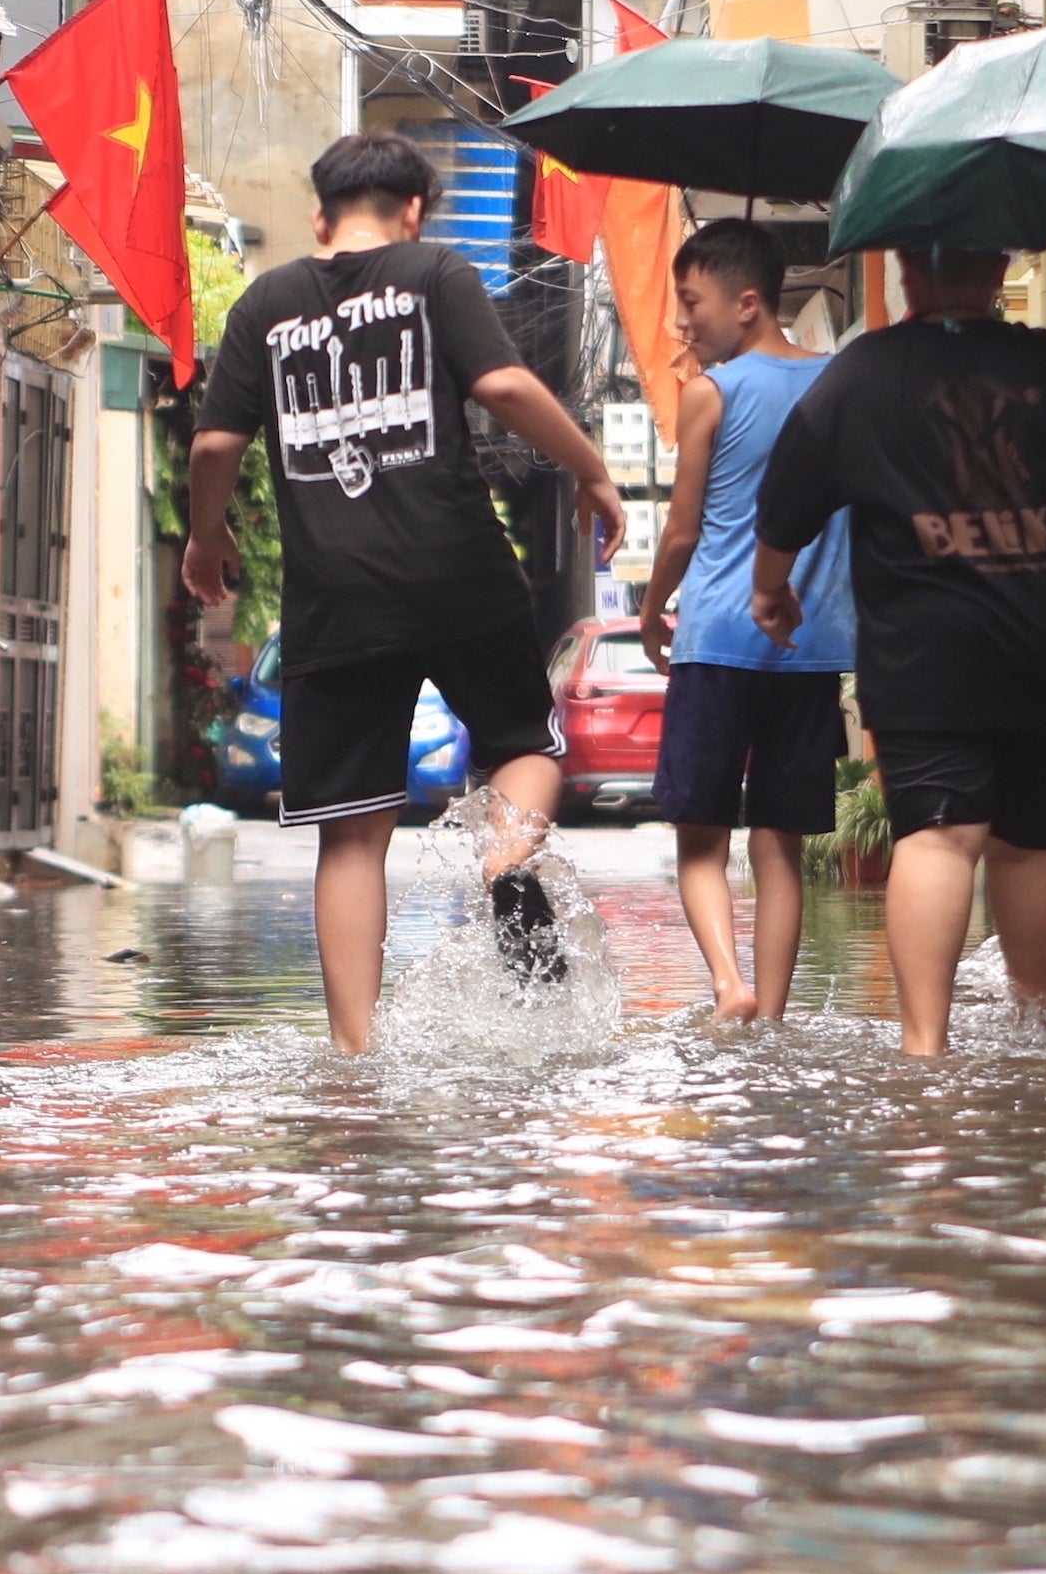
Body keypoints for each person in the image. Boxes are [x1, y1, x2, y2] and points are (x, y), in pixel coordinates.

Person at [186, 134, 627, 1052]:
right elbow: (503, 384)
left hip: (334, 595)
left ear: (319, 215)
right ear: (413, 211)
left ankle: (354, 1050)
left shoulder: (265, 303)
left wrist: (207, 534)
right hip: (458, 569)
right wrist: (590, 472)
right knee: (522, 742)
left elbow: (213, 447)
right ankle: (506, 853)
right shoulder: (435, 272)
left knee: (349, 836)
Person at [751, 248, 1046, 1057]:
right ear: (998, 262)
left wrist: (772, 586)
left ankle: (924, 1046)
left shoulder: (860, 376)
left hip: (924, 651)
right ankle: (1037, 1030)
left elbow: (784, 502)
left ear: (905, 263)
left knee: (938, 834)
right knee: (1033, 839)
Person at [639, 218, 852, 1023]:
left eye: (691, 302)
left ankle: (730, 986)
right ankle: (774, 1014)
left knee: (701, 837)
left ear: (748, 302)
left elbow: (683, 529)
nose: (682, 321)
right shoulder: (839, 383)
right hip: (811, 646)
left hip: (719, 640)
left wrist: (653, 610)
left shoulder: (710, 392)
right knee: (780, 843)